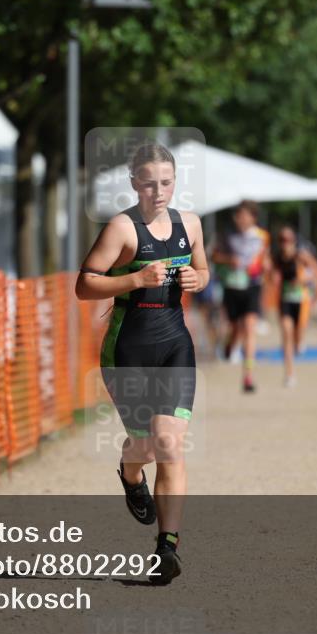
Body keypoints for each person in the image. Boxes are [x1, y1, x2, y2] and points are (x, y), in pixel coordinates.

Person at [75, 143, 209, 585]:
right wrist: (135, 278)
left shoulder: (190, 224)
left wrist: (198, 278)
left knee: (169, 443)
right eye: (149, 183)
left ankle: (167, 547)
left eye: (166, 182)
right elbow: (84, 285)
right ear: (134, 183)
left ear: (175, 182)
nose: (159, 191)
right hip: (127, 349)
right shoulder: (122, 228)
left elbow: (204, 271)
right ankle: (131, 475)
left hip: (175, 345)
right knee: (146, 448)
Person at [212, 200, 270, 393]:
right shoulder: (227, 235)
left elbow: (265, 259)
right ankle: (229, 345)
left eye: (244, 215)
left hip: (252, 286)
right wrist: (230, 260)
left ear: (253, 217)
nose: (239, 219)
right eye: (237, 215)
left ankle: (248, 376)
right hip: (231, 286)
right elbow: (214, 256)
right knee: (236, 328)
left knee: (250, 327)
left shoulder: (262, 236)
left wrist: (267, 266)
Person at [272, 226, 317, 387]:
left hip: (302, 301)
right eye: (281, 240)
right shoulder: (277, 258)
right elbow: (271, 275)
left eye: (287, 240)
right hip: (285, 300)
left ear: (294, 241)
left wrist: (304, 280)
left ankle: (299, 341)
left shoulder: (301, 256)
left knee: (297, 336)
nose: (284, 243)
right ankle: (289, 374)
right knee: (286, 333)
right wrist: (272, 277)